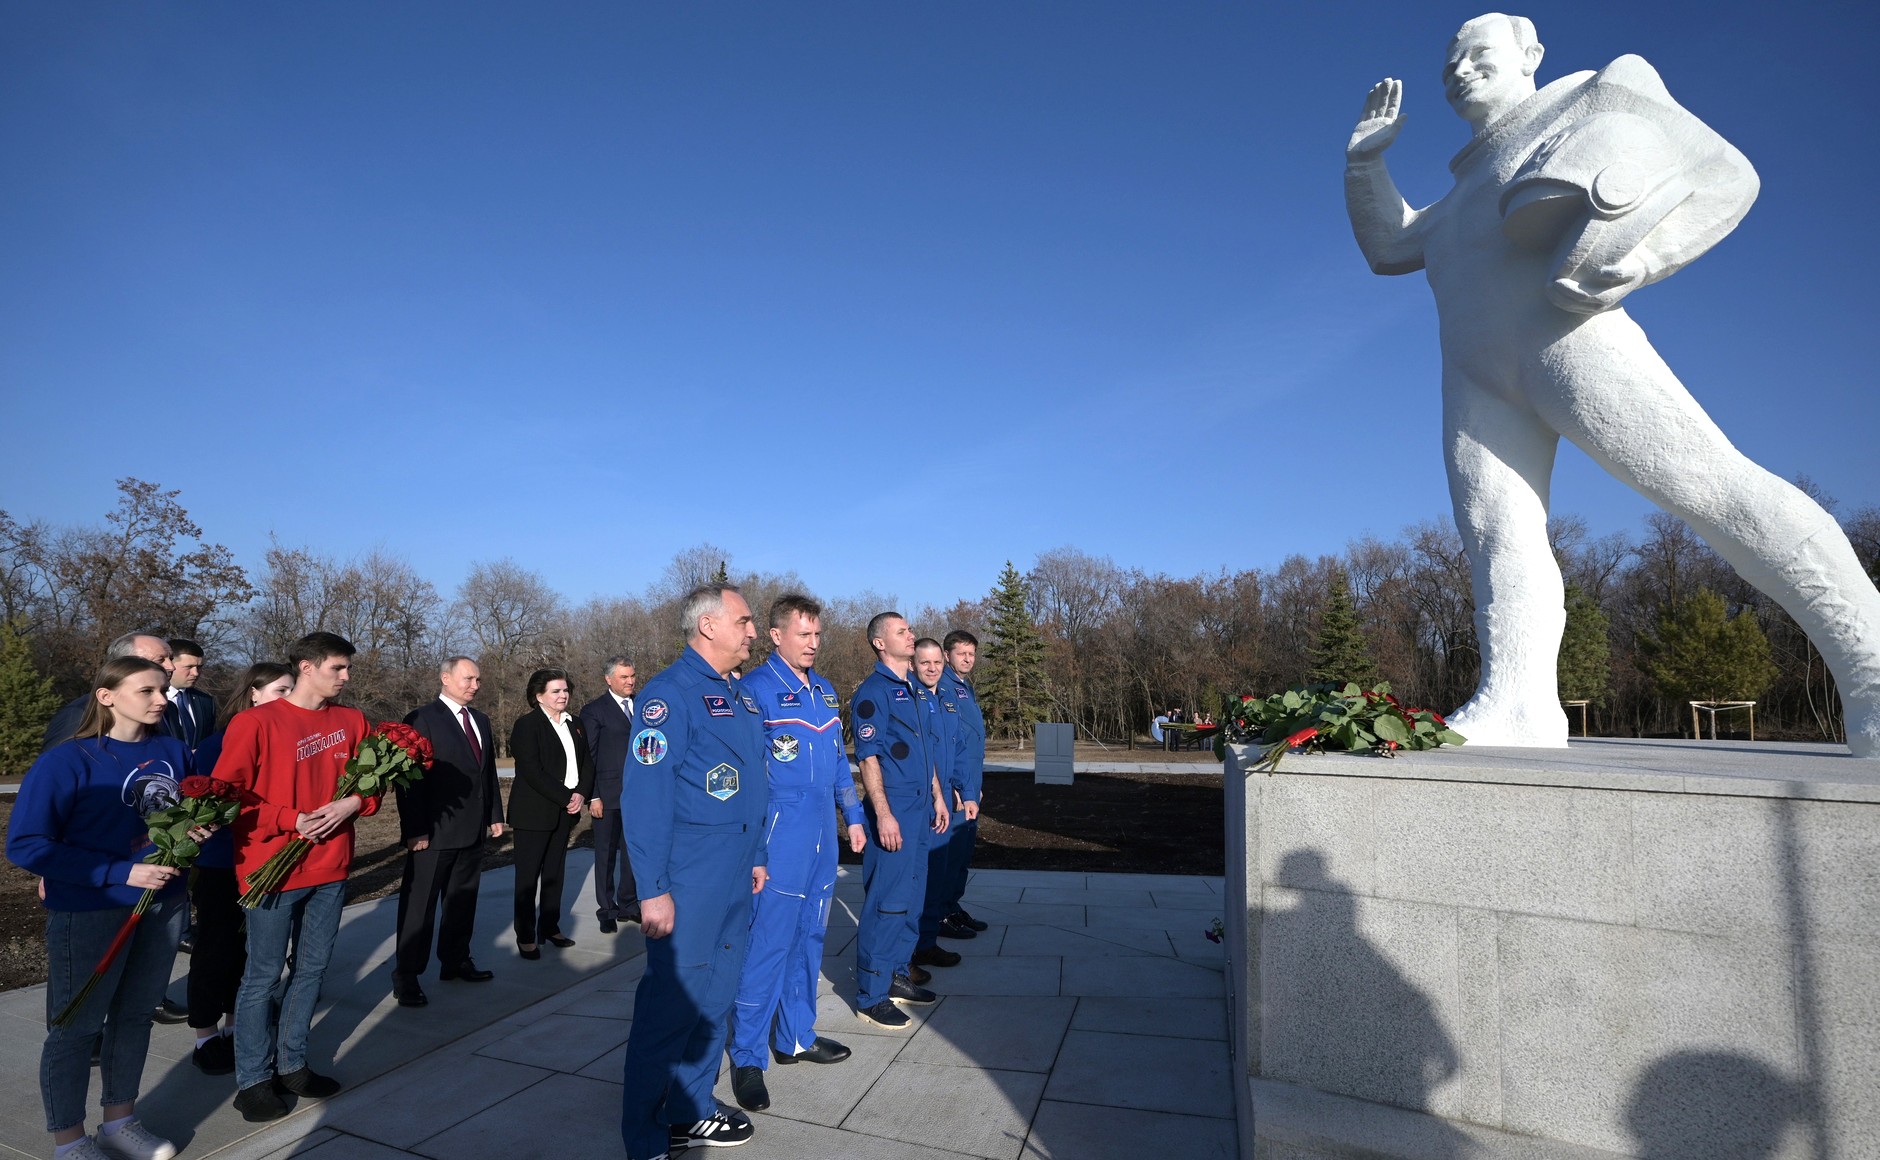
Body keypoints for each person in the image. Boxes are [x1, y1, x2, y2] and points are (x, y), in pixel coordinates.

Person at [1345, 12, 1880, 751]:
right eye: (1449, 65)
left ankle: (1871, 660)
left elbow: (1722, 175)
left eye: (1477, 55)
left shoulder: (1591, 106)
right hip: (1476, 380)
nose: (1459, 72)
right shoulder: (1457, 199)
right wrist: (1366, 167)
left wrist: (1641, 256)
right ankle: (1518, 700)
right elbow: (1387, 246)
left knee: (1714, 491)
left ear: (1530, 55)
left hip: (1572, 346)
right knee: (1499, 537)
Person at [8, 657, 191, 1160]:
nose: (160, 699)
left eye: (163, 690)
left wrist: (197, 832)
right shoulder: (67, 760)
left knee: (134, 1016)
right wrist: (121, 872)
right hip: (92, 909)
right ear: (107, 696)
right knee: (77, 1026)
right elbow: (26, 845)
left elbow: (186, 817)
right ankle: (69, 1140)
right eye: (147, 689)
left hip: (165, 904)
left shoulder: (174, 750)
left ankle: (121, 1120)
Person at [619, 585, 769, 1159]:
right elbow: (647, 798)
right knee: (670, 1007)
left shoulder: (740, 696)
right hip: (691, 876)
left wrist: (756, 855)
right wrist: (652, 891)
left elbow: (751, 780)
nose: (752, 632)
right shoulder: (668, 696)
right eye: (745, 621)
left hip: (736, 872)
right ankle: (645, 1138)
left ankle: (690, 1108)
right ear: (708, 625)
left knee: (716, 998)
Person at [214, 631, 380, 1122]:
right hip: (270, 869)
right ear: (306, 667)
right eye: (338, 668)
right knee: (262, 977)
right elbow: (227, 794)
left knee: (310, 970)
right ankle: (253, 1080)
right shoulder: (255, 722)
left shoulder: (352, 721)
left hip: (331, 867)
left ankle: (292, 1064)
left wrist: (354, 801)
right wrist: (289, 819)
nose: (346, 677)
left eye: (348, 668)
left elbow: (375, 783)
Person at [725, 595, 867, 1113]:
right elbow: (749, 779)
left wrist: (853, 817)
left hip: (821, 837)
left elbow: (835, 764)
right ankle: (746, 1056)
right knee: (768, 942)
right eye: (803, 634)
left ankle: (795, 1038)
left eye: (818, 634)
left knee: (810, 935)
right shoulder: (755, 691)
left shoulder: (826, 692)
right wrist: (758, 847)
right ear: (775, 634)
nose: (813, 643)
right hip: (779, 833)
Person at [184, 662, 294, 1075]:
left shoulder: (288, 740)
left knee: (254, 952)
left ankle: (236, 1025)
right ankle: (205, 1035)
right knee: (217, 946)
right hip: (223, 862)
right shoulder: (218, 743)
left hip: (270, 859)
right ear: (254, 693)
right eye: (281, 690)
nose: (289, 699)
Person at [850, 612, 949, 1030]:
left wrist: (938, 796)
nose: (911, 635)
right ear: (879, 643)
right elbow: (868, 757)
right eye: (902, 632)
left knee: (911, 896)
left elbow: (924, 751)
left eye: (910, 630)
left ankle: (897, 973)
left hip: (921, 807)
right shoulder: (874, 692)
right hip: (894, 809)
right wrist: (884, 813)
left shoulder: (913, 688)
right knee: (886, 901)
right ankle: (871, 994)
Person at [390, 657, 504, 1007]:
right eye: (468, 678)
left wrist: (495, 815)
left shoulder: (481, 721)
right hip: (434, 834)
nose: (475, 685)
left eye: (478, 679)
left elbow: (486, 774)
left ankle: (455, 961)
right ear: (445, 678)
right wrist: (416, 830)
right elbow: (408, 781)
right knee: (419, 908)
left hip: (472, 831)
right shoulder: (422, 719)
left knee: (462, 902)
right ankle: (407, 976)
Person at [507, 668, 593, 959]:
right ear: (538, 695)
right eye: (556, 691)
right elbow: (531, 771)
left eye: (565, 690)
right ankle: (526, 935)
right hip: (534, 812)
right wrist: (566, 796)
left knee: (554, 874)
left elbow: (587, 763)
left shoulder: (576, 723)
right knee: (528, 878)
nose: (563, 695)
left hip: (565, 811)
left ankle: (550, 926)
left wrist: (581, 792)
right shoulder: (527, 725)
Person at [911, 638, 971, 971]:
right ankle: (914, 947)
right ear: (913, 665)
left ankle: (928, 941)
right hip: (924, 801)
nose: (932, 669)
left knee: (940, 872)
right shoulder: (911, 700)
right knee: (923, 878)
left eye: (937, 664)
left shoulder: (947, 699)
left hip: (947, 798)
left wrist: (968, 792)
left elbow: (958, 748)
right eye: (925, 663)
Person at [579, 656, 641, 932]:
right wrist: (593, 795)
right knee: (605, 855)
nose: (630, 681)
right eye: (624, 677)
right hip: (606, 794)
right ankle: (607, 909)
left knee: (633, 854)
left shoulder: (643, 706)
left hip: (637, 794)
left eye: (632, 676)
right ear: (609, 679)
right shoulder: (594, 711)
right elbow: (588, 756)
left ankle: (629, 905)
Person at [934, 630, 988, 936]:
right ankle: (940, 914)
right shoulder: (943, 687)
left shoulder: (965, 687)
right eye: (961, 654)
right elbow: (948, 742)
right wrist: (956, 785)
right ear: (947, 654)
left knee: (962, 849)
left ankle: (953, 906)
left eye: (971, 654)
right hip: (955, 785)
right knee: (949, 852)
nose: (967, 659)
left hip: (969, 782)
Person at [42, 634, 174, 749]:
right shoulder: (80, 713)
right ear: (125, 663)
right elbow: (59, 768)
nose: (171, 667)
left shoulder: (167, 710)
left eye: (171, 659)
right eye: (160, 660)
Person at [164, 639, 216, 750]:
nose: (196, 673)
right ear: (169, 665)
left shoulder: (206, 701)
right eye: (189, 667)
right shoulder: (147, 701)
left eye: (199, 667)